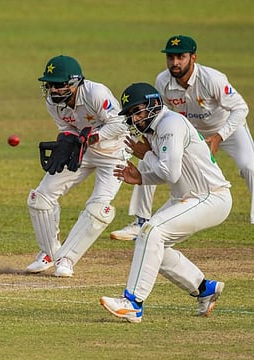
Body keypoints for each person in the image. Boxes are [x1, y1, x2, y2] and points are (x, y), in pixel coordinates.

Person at [100, 82, 231, 323]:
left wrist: (143, 170)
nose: (135, 119)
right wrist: (143, 170)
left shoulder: (170, 124)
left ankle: (133, 302)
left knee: (151, 231)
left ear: (154, 104)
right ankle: (204, 288)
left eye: (138, 111)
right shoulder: (154, 130)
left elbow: (170, 173)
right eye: (130, 114)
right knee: (148, 240)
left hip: (211, 196)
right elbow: (169, 170)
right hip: (188, 197)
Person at [110, 35, 253, 241]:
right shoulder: (162, 80)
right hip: (187, 130)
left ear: (193, 57)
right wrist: (150, 147)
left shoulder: (212, 79)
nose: (175, 63)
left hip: (225, 127)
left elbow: (241, 108)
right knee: (146, 161)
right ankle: (140, 221)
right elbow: (158, 114)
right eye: (170, 57)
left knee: (250, 166)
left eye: (181, 57)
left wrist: (218, 137)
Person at [26, 55, 129, 277]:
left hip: (113, 153)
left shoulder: (95, 93)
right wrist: (66, 140)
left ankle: (67, 259)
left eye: (59, 85)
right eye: (50, 85)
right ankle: (50, 253)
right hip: (82, 150)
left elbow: (121, 122)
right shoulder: (52, 103)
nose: (53, 90)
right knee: (40, 198)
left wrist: (92, 137)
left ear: (74, 83)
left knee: (98, 209)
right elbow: (67, 126)